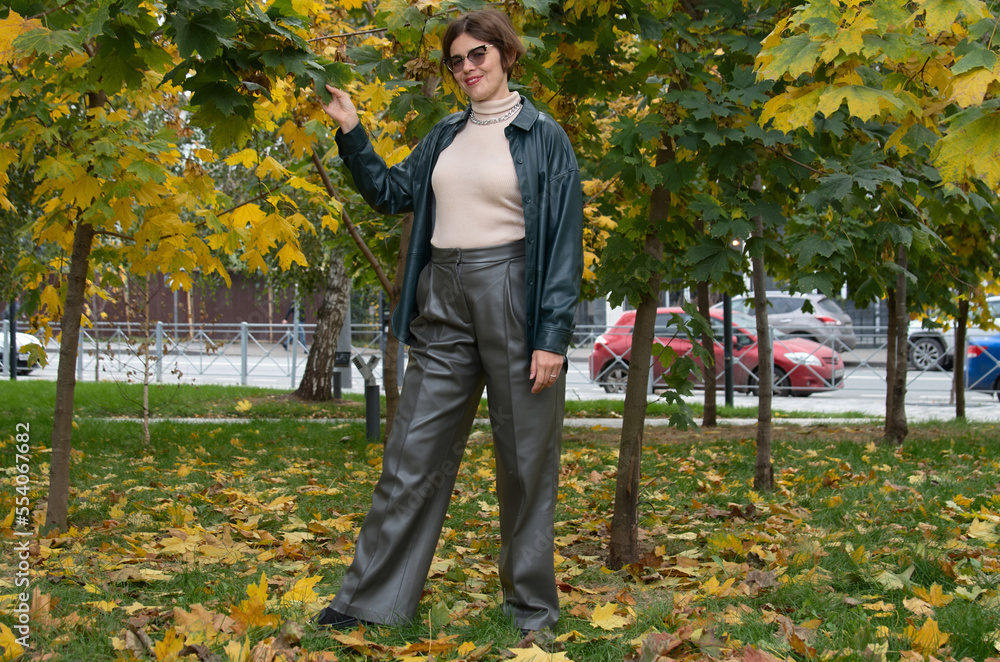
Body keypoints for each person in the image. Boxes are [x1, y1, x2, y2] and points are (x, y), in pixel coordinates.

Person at [313, 8, 583, 636]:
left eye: (478, 55)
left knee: (524, 461)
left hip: (514, 291)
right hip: (444, 296)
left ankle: (532, 613)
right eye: (457, 60)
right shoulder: (445, 135)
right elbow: (388, 193)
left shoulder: (545, 136)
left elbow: (564, 245)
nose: (467, 68)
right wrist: (352, 131)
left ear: (506, 56)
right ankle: (370, 601)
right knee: (411, 452)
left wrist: (552, 338)